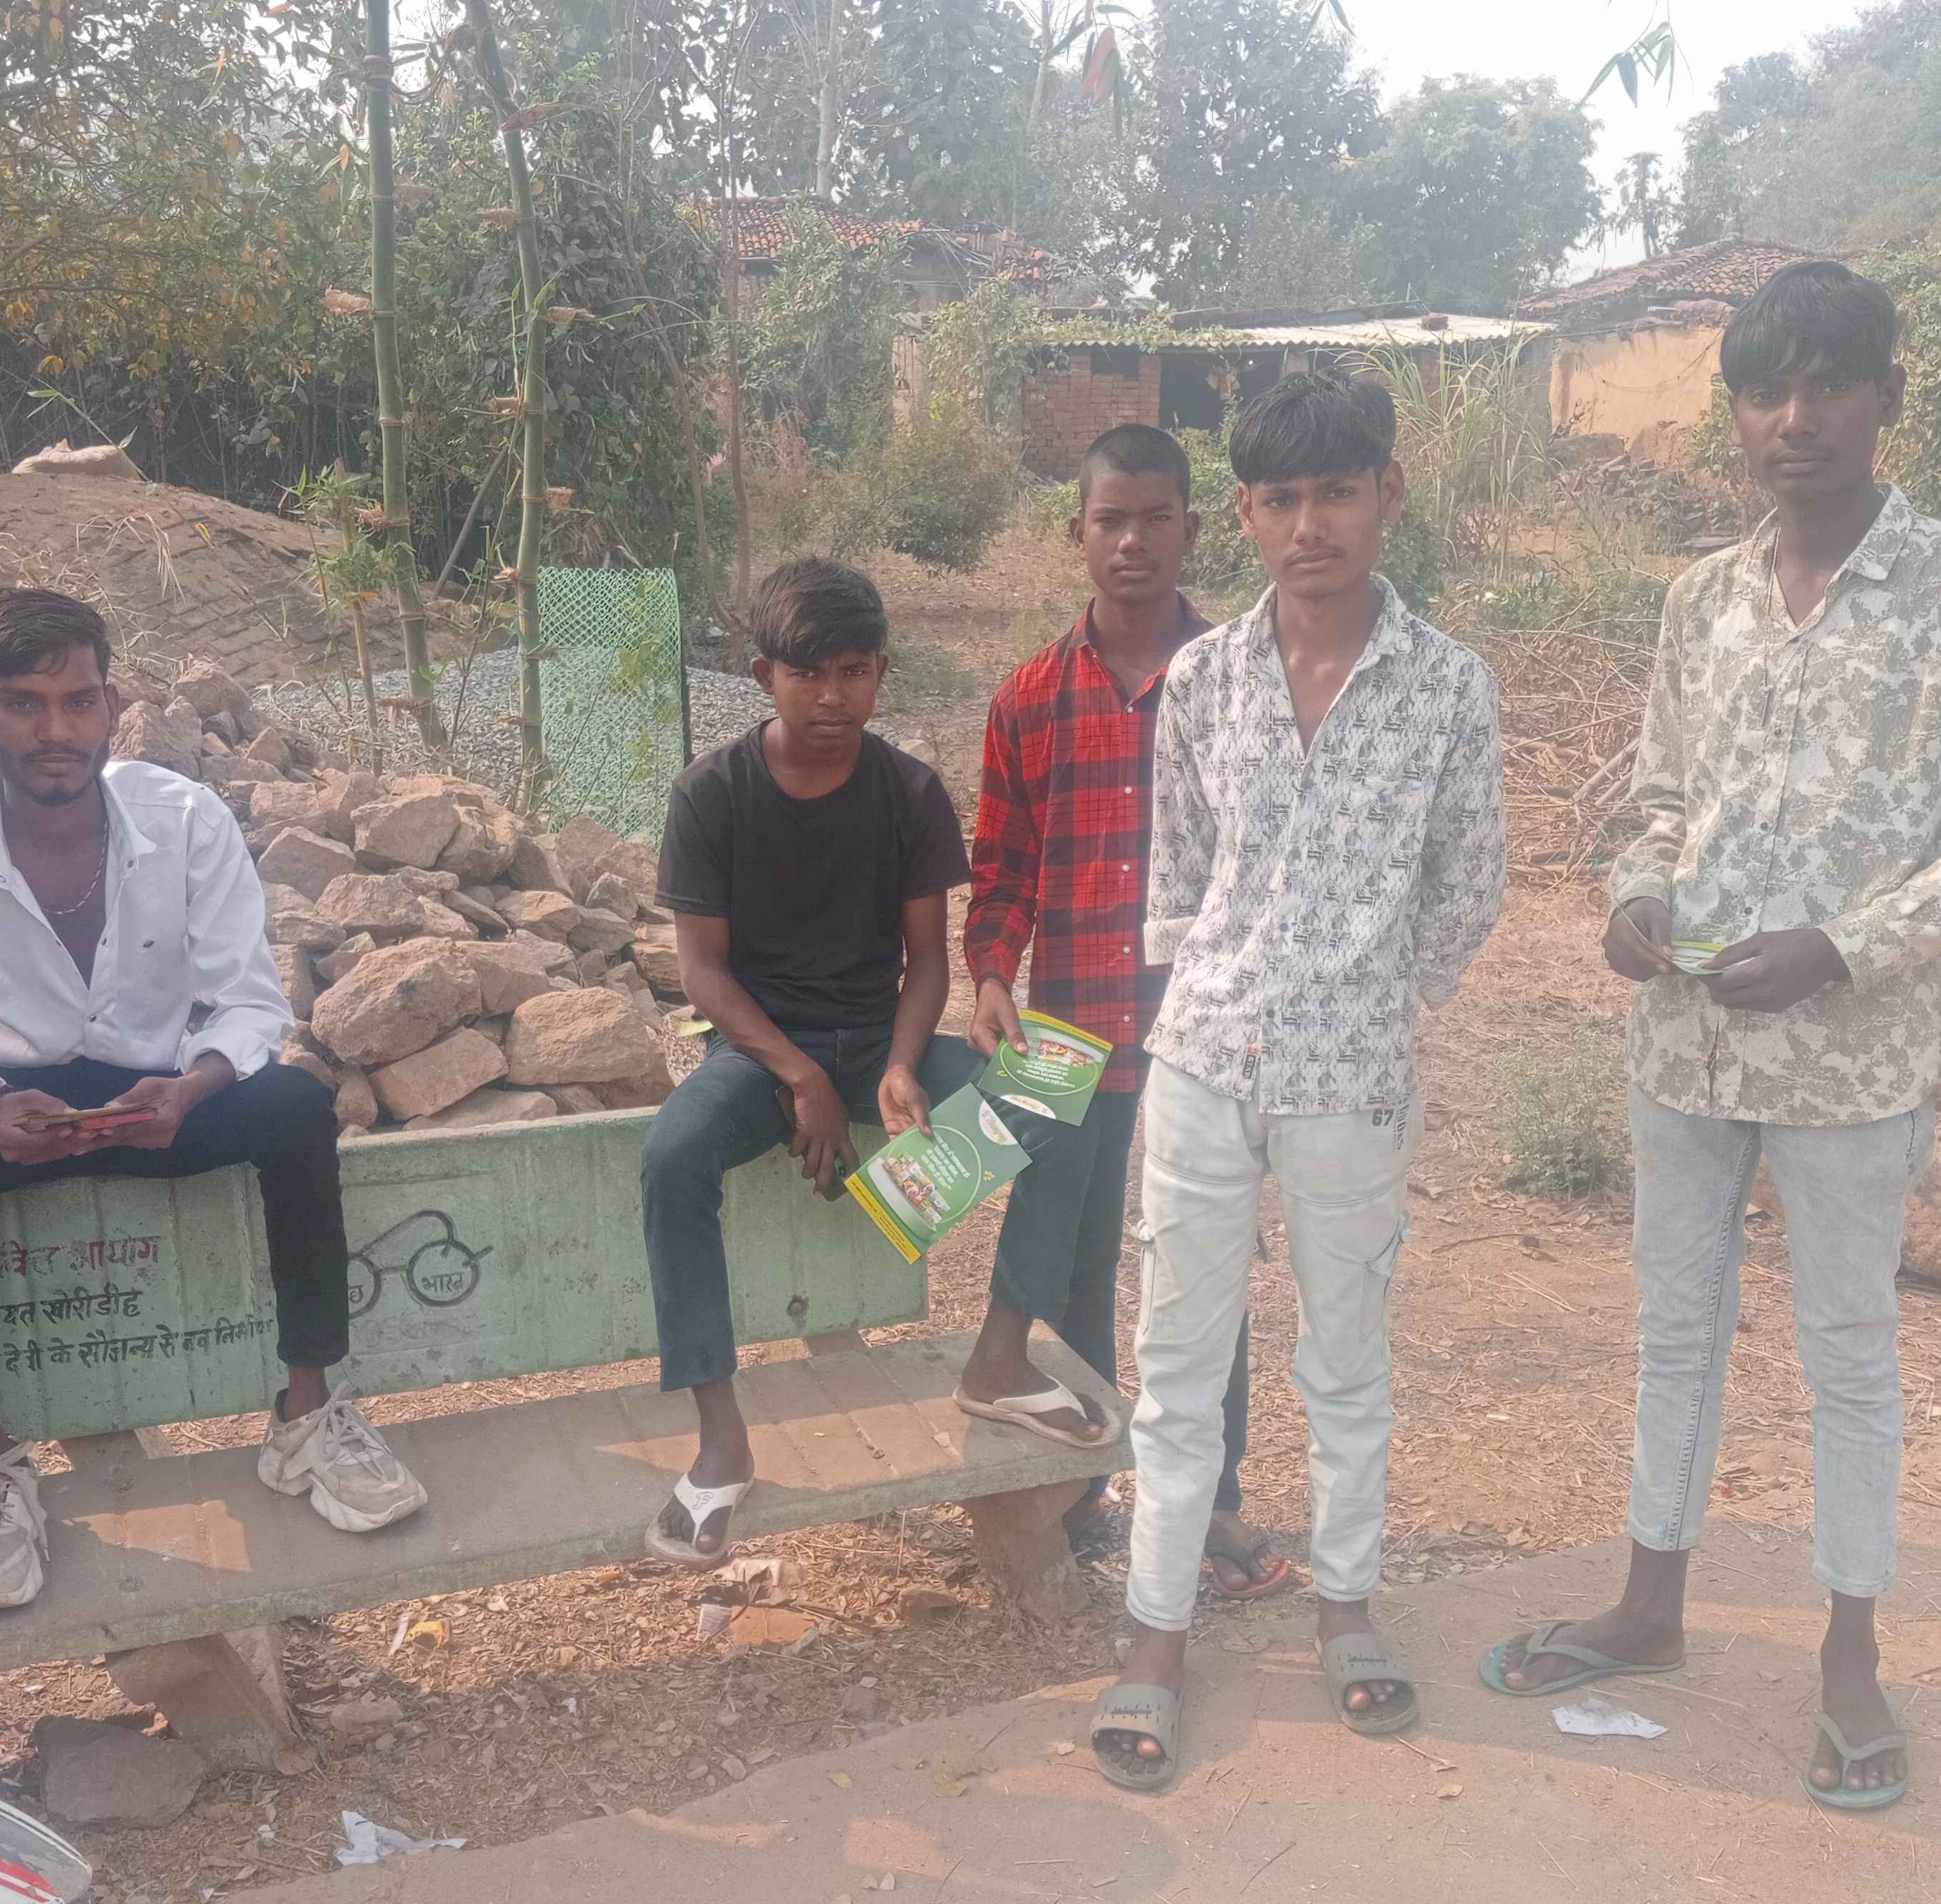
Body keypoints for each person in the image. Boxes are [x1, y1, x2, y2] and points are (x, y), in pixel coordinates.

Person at [1476, 262, 1941, 1812]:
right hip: (1685, 1045)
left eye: (1824, 386)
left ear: (1886, 397)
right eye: (1762, 391)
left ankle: (1850, 1658)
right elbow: (1663, 797)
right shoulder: (1704, 599)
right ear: (1734, 412)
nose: (1791, 420)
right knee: (1676, 1329)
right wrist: (1636, 894)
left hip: (1855, 1062)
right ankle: (1649, 1605)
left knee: (1848, 1353)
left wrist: (1843, 949)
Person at [1087, 370, 1506, 1789]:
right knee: (1178, 1366)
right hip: (1204, 1062)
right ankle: (1156, 1632)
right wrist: (1213, 994)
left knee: (1345, 1357)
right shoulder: (1204, 682)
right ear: (1248, 515)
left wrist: (1377, 996)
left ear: (1389, 493)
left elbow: (1468, 883)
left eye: (1337, 491)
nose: (1310, 525)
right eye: (1281, 499)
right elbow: (1179, 874)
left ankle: (1347, 1606)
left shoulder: (1449, 687)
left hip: (1351, 1078)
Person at [0, 586, 423, 1613]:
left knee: (296, 1108)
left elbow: (247, 1000)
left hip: (159, 1096)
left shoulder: (184, 817)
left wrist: (193, 1085)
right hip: (12, 1110)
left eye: (79, 702)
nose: (56, 731)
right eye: (24, 703)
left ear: (112, 706)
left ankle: (306, 1415)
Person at [962, 423, 1281, 1602]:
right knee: (1076, 1261)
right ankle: (1086, 1487)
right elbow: (1002, 869)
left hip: (1209, 1022)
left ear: (1193, 528)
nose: (1133, 541)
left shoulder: (1246, 677)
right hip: (1066, 1021)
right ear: (1077, 534)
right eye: (1111, 520)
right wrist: (990, 975)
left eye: (1155, 519)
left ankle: (1214, 1500)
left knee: (1203, 1263)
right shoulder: (1028, 698)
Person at [639, 558, 986, 1566]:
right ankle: (720, 1438)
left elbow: (929, 961)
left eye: (854, 672)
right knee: (672, 1158)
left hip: (880, 1036)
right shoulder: (711, 794)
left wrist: (901, 1068)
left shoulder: (910, 792)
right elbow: (702, 975)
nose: (833, 697)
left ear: (881, 672)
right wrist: (802, 1078)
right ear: (765, 676)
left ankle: (986, 1341)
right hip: (762, 1049)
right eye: (808, 675)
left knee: (1054, 1093)